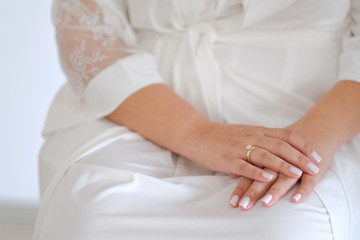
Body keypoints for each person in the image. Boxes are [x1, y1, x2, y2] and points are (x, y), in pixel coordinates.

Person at [33, 0, 360, 239]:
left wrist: (312, 139)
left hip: (316, 112)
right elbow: (87, 26)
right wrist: (194, 132)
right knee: (92, 209)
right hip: (137, 105)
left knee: (290, 226)